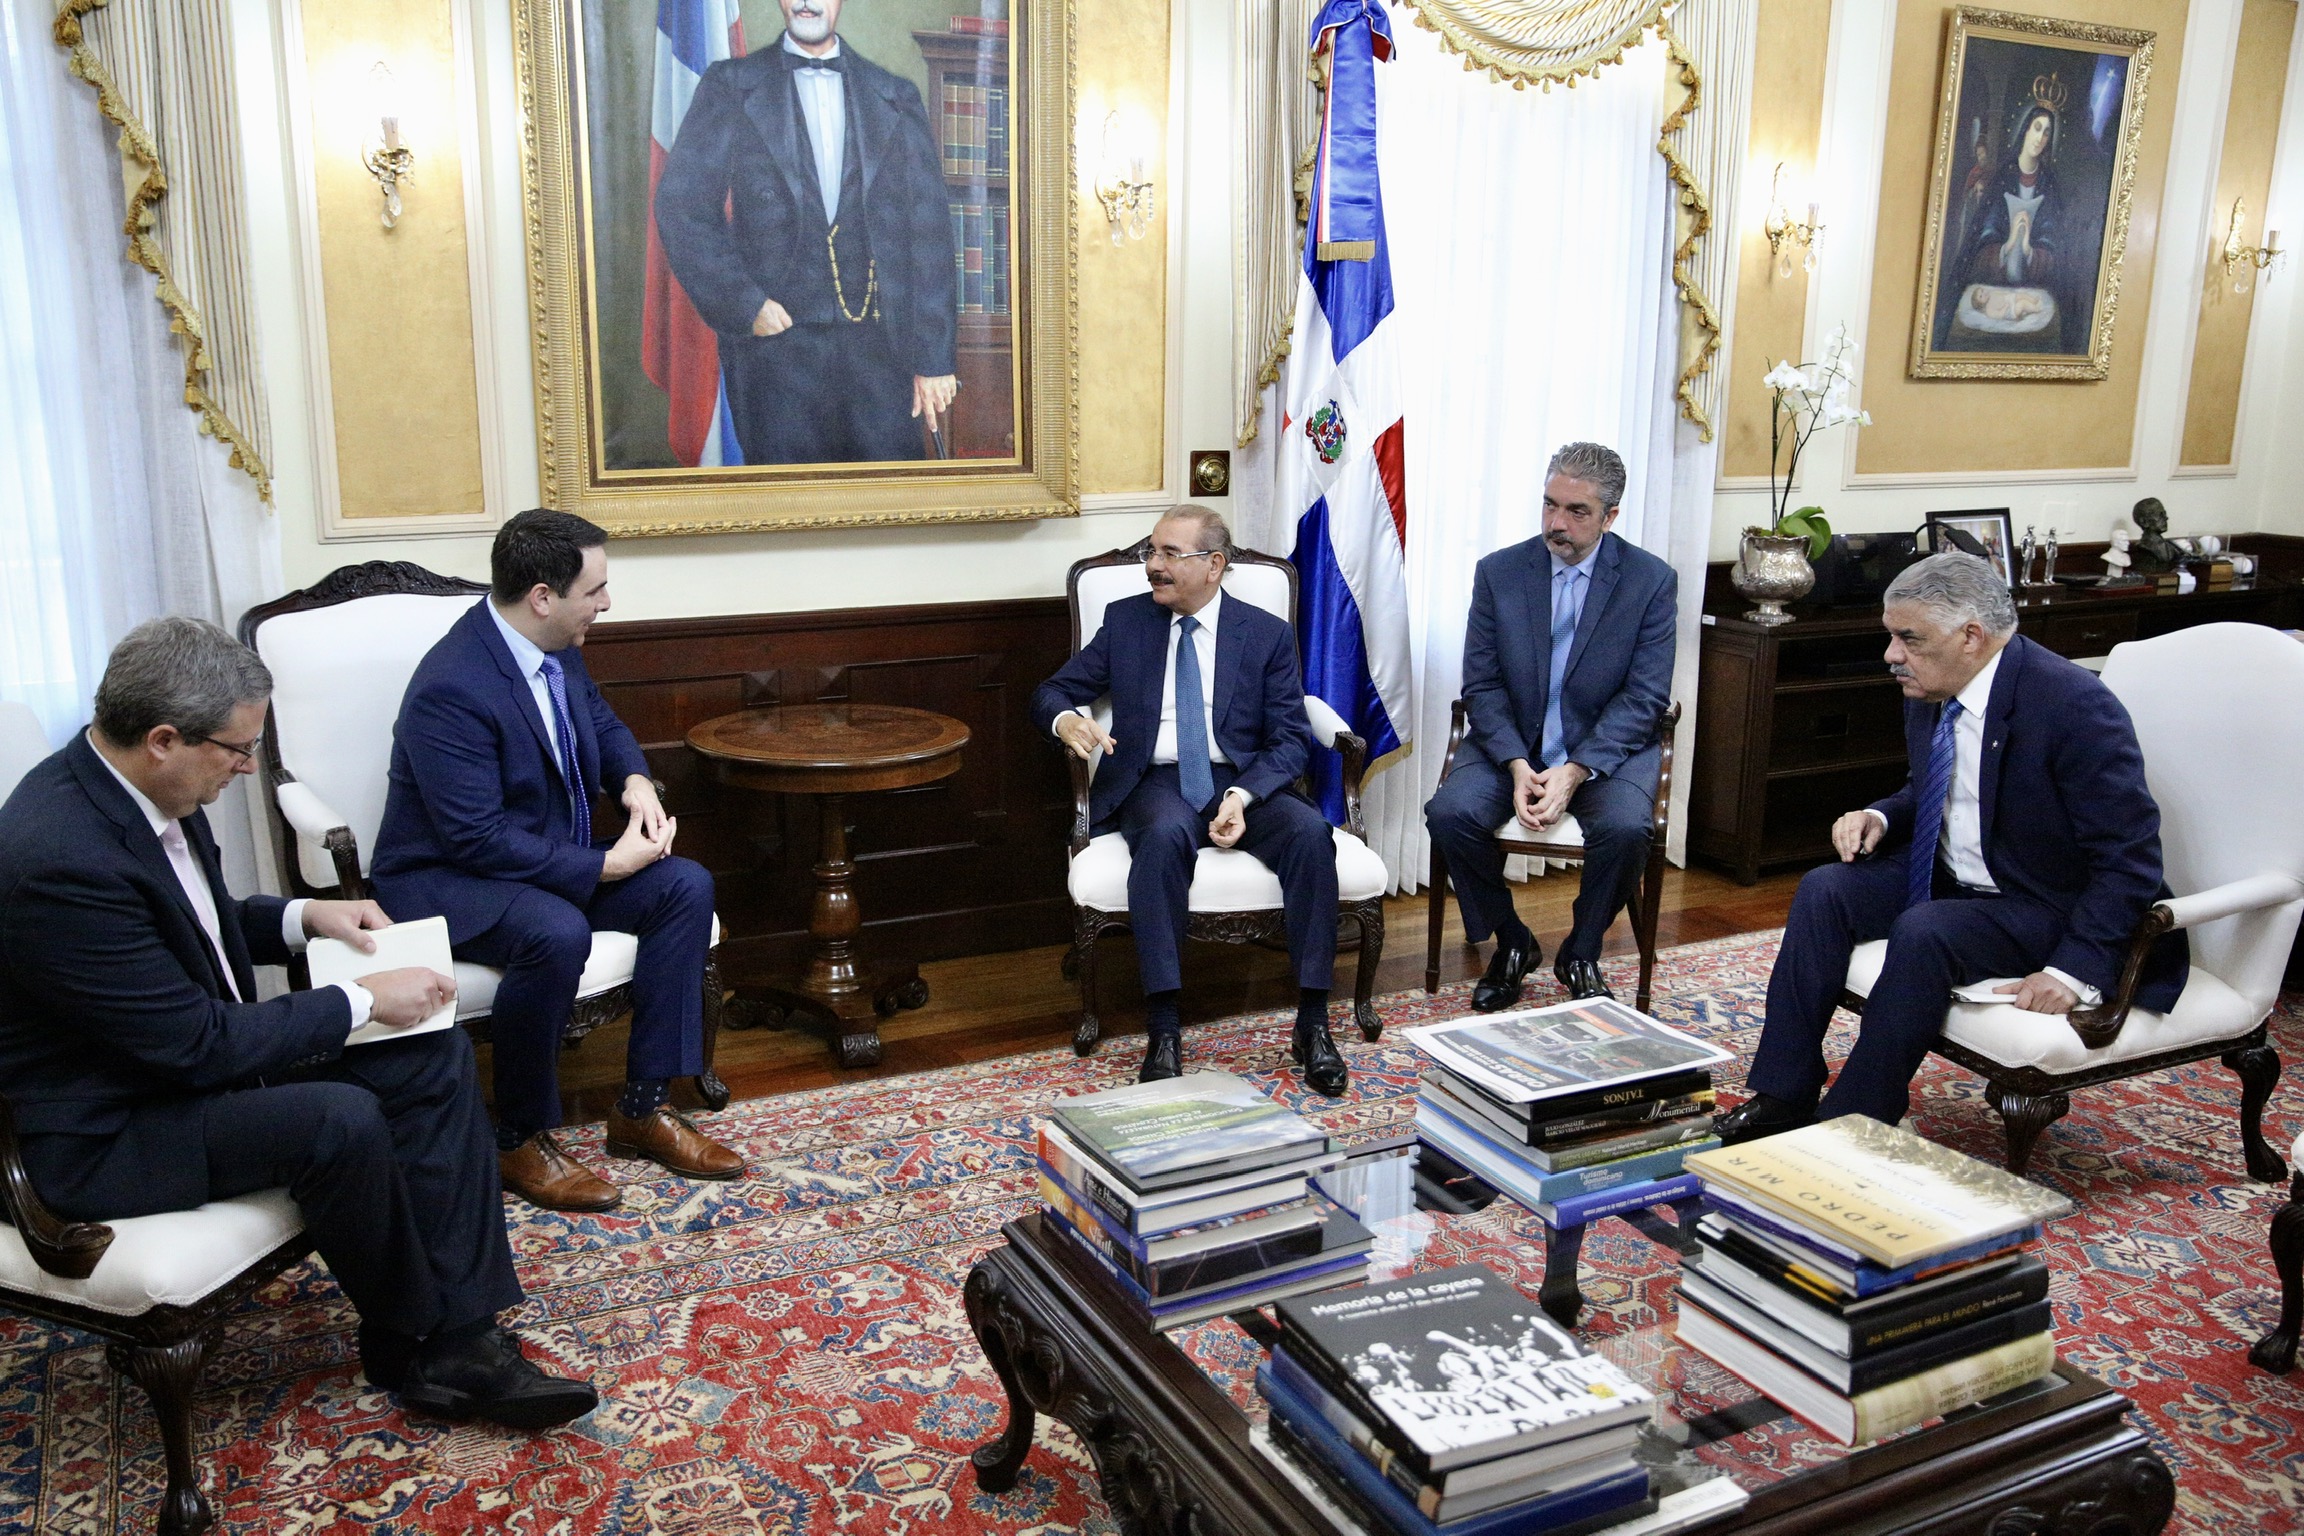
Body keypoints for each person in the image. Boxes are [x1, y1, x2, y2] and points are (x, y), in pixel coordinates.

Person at [0, 619, 594, 1426]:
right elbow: (198, 1045)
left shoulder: (146, 789)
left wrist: (305, 917)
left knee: (429, 1054)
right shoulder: (59, 860)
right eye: (237, 750)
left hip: (164, 1068)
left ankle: (459, 1337)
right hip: (102, 1132)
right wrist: (362, 999)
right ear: (165, 740)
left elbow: (192, 922)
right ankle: (418, 1334)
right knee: (336, 1119)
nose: (247, 768)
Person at [1718, 554, 2187, 1140]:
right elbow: (1941, 786)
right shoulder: (1933, 683)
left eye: (1908, 638)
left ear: (1971, 636)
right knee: (1826, 889)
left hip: (2046, 901)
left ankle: (1852, 1124)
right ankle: (1783, 1093)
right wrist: (1881, 816)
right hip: (1959, 878)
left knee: (1927, 929)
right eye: (1891, 636)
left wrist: (2073, 971)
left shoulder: (2073, 706)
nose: (1891, 654)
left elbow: (2129, 859)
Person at [372, 510, 742, 1213]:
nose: (606, 603)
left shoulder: (556, 645)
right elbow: (474, 837)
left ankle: (643, 1108)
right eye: (594, 590)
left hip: (542, 862)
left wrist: (633, 781)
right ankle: (518, 1136)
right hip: (448, 879)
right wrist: (606, 868)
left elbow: (600, 721)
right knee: (555, 931)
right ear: (542, 596)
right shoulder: (452, 686)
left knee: (685, 886)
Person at [1031, 507, 1349, 1094]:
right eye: (1152, 552)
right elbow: (1053, 690)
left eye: (1170, 554)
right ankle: (1164, 1028)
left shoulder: (1266, 633)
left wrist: (1243, 795)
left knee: (1311, 836)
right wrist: (1066, 721)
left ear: (1214, 565)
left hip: (1243, 778)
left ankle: (1313, 1022)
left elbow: (1289, 739)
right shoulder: (1127, 621)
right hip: (1156, 778)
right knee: (1161, 836)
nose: (1153, 565)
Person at [1424, 442, 1677, 1009]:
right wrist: (1518, 764)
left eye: (1576, 511)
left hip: (1605, 750)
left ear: (1610, 517)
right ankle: (1513, 941)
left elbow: (1645, 696)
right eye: (1550, 505)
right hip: (1512, 742)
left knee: (1627, 828)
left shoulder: (1650, 581)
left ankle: (1581, 951)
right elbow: (1482, 684)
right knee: (1450, 814)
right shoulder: (1500, 572)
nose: (1556, 523)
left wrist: (1577, 769)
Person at [653, 0, 960, 464]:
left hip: (882, 357)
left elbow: (930, 232)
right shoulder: (731, 86)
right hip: (775, 361)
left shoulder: (894, 94)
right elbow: (682, 207)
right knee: (787, 499)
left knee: (889, 498)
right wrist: (744, 302)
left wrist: (934, 359)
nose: (805, 2)